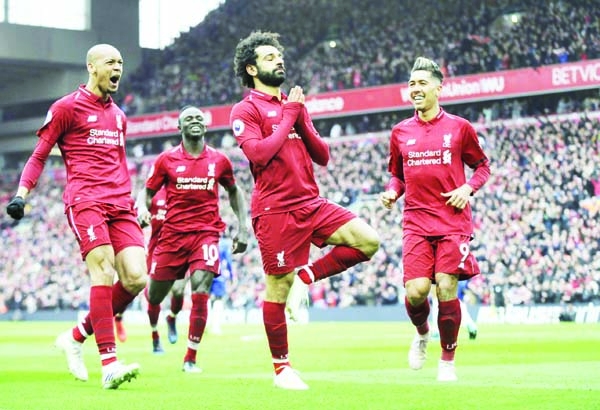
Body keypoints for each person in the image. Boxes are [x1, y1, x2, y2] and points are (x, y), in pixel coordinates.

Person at [230, 31, 380, 390]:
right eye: (269, 57)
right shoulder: (245, 110)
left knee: (368, 241)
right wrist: (289, 116)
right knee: (276, 290)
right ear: (252, 68)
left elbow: (323, 156)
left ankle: (307, 277)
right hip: (275, 209)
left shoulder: (292, 105)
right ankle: (282, 370)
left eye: (279, 56)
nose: (279, 60)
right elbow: (259, 154)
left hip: (311, 202)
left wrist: (297, 116)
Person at [5, 44, 147, 389]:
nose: (118, 68)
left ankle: (75, 336)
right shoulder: (66, 108)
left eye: (121, 62)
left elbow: (117, 162)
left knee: (137, 279)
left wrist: (133, 203)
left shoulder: (119, 116)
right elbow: (39, 155)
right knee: (103, 268)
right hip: (86, 200)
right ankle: (109, 364)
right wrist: (21, 194)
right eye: (111, 62)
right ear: (91, 66)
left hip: (120, 203)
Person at [380, 57, 490, 382]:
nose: (415, 89)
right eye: (412, 83)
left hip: (452, 222)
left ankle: (447, 361)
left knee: (446, 286)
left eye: (422, 83)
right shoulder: (400, 132)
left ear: (438, 88)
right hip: (415, 221)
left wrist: (468, 188)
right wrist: (391, 192)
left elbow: (482, 166)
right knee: (415, 291)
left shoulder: (459, 127)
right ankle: (422, 333)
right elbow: (396, 176)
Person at [137, 105, 248, 373]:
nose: (195, 121)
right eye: (189, 118)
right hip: (172, 237)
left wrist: (243, 227)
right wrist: (142, 207)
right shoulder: (166, 160)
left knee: (200, 289)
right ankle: (165, 321)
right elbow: (147, 191)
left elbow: (235, 192)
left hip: (206, 234)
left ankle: (190, 357)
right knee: (155, 295)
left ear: (206, 126)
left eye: (200, 118)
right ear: (180, 127)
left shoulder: (220, 160)